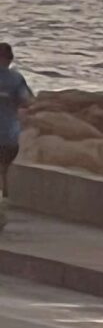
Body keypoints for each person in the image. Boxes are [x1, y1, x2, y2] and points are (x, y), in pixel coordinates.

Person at [0, 43, 33, 208]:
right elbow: (27, 102)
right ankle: (3, 203)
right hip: (9, 138)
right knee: (3, 171)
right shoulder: (16, 79)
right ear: (10, 59)